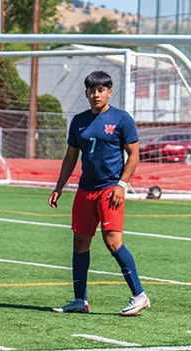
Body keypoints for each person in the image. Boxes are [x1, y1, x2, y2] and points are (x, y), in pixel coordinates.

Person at [48, 70, 149, 317]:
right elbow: (71, 156)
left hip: (109, 190)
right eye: (92, 90)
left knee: (113, 242)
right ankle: (80, 300)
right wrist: (59, 187)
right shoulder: (79, 121)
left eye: (101, 90)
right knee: (80, 243)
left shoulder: (121, 119)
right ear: (86, 93)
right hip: (85, 190)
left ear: (109, 92)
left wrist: (121, 185)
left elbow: (134, 155)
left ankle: (140, 295)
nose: (96, 95)